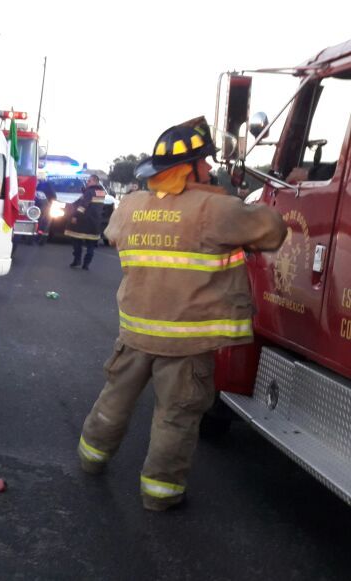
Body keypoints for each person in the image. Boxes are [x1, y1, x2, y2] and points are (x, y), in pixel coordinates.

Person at [76, 117, 286, 511]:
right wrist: (224, 194)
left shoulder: (131, 205)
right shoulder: (216, 208)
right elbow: (273, 231)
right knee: (176, 416)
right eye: (205, 163)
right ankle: (161, 495)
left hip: (135, 334)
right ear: (188, 169)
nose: (210, 169)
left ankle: (91, 458)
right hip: (186, 341)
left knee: (114, 399)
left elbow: (113, 235)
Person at [65, 174, 107, 270]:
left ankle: (77, 259)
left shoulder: (89, 192)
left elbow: (82, 206)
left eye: (89, 181)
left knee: (76, 240)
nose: (87, 183)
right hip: (95, 222)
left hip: (83, 221)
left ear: (95, 182)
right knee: (91, 245)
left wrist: (75, 216)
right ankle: (86, 264)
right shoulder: (102, 192)